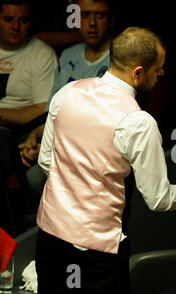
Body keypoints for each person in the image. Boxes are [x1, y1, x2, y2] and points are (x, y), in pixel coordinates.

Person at [34, 26, 176, 294]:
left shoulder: (68, 92)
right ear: (138, 72)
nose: (161, 74)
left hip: (50, 239)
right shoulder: (139, 122)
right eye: (157, 69)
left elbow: (47, 163)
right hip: (96, 253)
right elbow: (159, 199)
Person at [18, 0, 116, 209]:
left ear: (111, 20)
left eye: (99, 16)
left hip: (92, 151)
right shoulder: (68, 55)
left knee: (36, 178)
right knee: (20, 161)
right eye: (85, 15)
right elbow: (51, 110)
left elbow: (102, 125)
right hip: (57, 141)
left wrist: (51, 146)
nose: (91, 23)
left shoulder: (120, 59)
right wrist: (33, 138)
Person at [0, 0, 57, 127]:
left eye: (23, 20)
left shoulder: (43, 55)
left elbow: (43, 111)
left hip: (18, 131)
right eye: (8, 19)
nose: (15, 27)